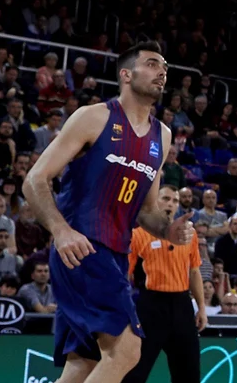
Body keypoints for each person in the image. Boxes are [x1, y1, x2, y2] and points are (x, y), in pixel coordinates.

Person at [21, 42, 176, 383]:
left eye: (165, 67)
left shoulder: (162, 136)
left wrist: (168, 229)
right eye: (152, 64)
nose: (162, 72)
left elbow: (147, 210)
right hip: (82, 247)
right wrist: (61, 231)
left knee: (84, 364)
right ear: (126, 74)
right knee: (127, 350)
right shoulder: (94, 117)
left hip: (117, 254)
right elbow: (34, 180)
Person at [122, 186, 206, 383]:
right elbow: (125, 276)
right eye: (166, 198)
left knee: (189, 373)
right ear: (154, 201)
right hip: (150, 306)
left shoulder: (189, 234)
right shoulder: (138, 234)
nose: (170, 204)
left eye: (175, 201)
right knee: (136, 372)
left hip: (182, 305)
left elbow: (194, 272)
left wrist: (201, 307)